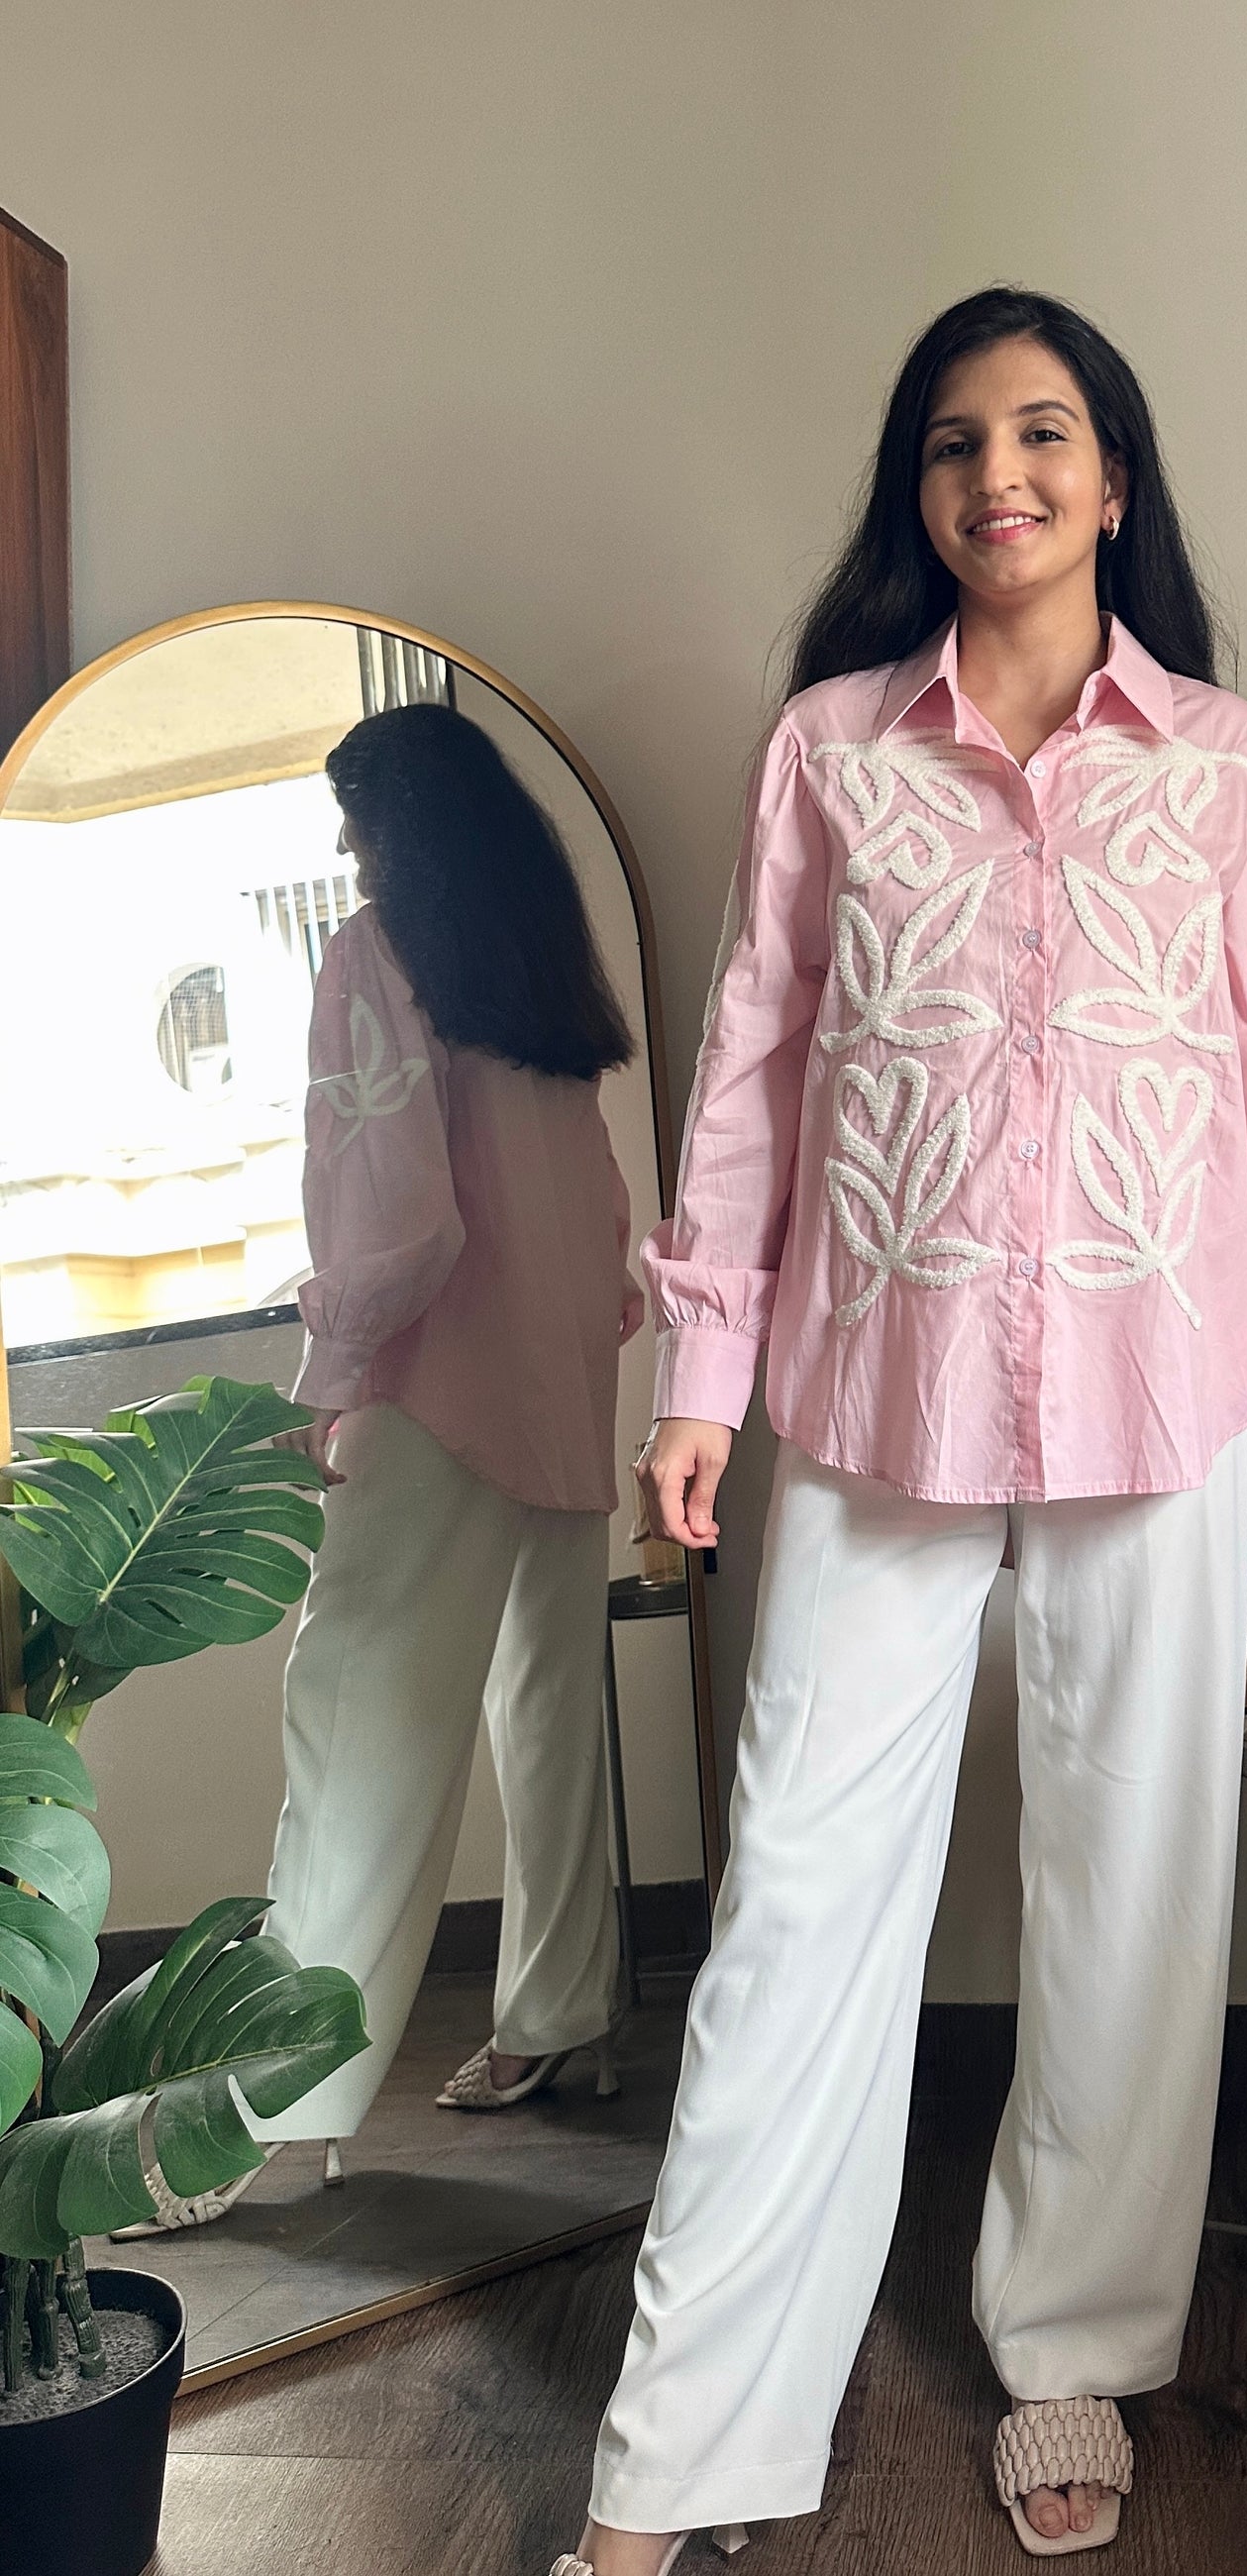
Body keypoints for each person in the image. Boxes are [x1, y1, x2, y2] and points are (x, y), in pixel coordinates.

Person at [554, 287, 1247, 2573]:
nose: (994, 473)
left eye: (1040, 432)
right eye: (952, 440)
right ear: (915, 491)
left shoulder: (1228, 768)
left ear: (1113, 479)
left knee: (1133, 1891)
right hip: (870, 1393)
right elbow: (748, 1071)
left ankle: (1074, 2349)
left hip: (1155, 1392)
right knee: (794, 1907)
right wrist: (698, 1379)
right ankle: (679, 2449)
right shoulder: (830, 750)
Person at [124, 703, 645, 2233]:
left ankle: (246, 2114)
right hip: (562, 1373)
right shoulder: (537, 958)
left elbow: (401, 1216)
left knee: (354, 1734)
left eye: (354, 824)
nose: (346, 853)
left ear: (398, 828)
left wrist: (333, 1371)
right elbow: (596, 1201)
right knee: (548, 1711)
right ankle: (561, 2017)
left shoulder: (378, 951)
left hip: (441, 1386)